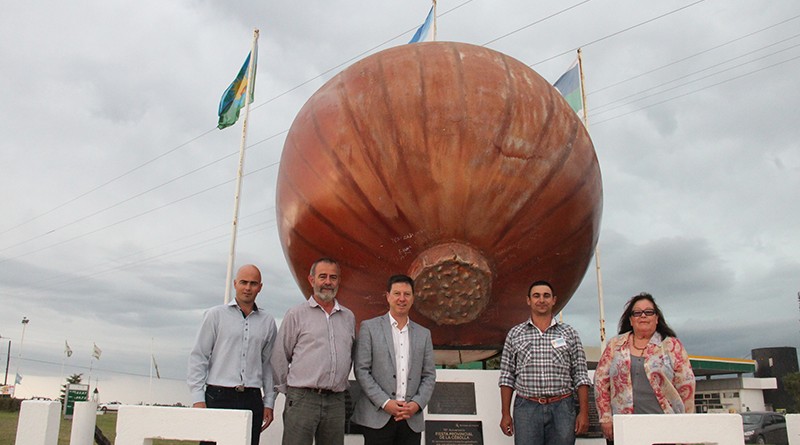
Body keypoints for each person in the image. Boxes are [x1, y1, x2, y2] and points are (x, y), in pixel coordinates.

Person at [187, 264, 277, 445]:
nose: (248, 288)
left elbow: (269, 365)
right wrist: (198, 398)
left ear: (260, 287)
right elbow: (199, 356)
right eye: (243, 282)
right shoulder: (215, 315)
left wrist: (269, 402)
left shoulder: (267, 322)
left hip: (251, 398)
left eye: (253, 283)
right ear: (235, 283)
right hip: (218, 396)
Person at [271, 257, 356, 445]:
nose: (328, 282)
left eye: (333, 277)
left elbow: (349, 355)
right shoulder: (296, 314)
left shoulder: (348, 317)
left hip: (336, 401)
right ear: (311, 280)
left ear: (339, 281)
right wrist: (290, 392)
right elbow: (280, 356)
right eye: (322, 277)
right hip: (303, 399)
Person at [593, 292, 696, 443]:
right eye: (637, 313)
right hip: (625, 426)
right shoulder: (615, 345)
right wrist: (605, 418)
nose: (643, 316)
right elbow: (600, 381)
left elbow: (686, 384)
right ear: (630, 319)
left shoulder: (671, 345)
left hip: (664, 425)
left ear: (656, 318)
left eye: (648, 312)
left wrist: (687, 422)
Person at [498, 280, 591, 445]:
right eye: (536, 296)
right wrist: (505, 414)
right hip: (526, 408)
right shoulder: (515, 334)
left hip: (562, 408)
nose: (541, 300)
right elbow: (507, 376)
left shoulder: (569, 333)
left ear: (554, 300)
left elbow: (581, 374)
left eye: (546, 296)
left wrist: (584, 413)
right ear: (528, 300)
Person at [351, 274, 437, 445]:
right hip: (377, 417)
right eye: (397, 293)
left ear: (413, 298)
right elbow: (362, 370)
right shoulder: (369, 328)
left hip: (410, 419)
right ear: (388, 296)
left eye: (407, 294)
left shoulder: (424, 334)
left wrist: (416, 404)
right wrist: (385, 402)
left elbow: (429, 375)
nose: (402, 299)